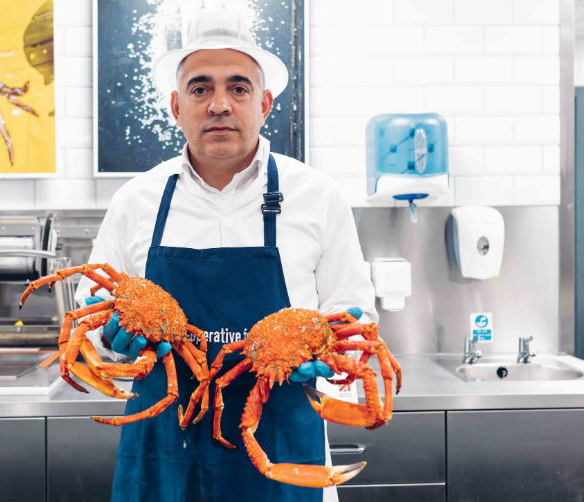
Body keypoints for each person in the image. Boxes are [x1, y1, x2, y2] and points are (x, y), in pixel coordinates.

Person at [75, 8, 378, 502]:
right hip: (162, 456)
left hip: (281, 451)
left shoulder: (317, 196)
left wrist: (327, 359)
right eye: (200, 88)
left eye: (238, 88)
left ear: (264, 103)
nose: (219, 104)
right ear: (176, 106)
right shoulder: (135, 201)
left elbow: (357, 321)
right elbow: (89, 324)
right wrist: (113, 341)